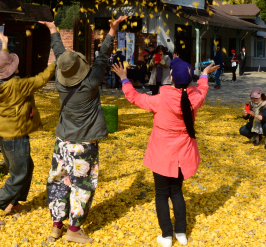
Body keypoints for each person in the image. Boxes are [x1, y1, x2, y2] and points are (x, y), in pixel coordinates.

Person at [112, 58, 220, 247]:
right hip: (183, 154)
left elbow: (134, 97)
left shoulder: (161, 99)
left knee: (161, 194)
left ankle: (166, 236)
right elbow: (203, 88)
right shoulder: (195, 98)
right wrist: (205, 74)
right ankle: (181, 233)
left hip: (162, 154)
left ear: (171, 77)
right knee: (177, 192)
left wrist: (124, 78)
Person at [41, 15, 128, 244]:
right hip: (84, 144)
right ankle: (73, 229)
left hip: (62, 140)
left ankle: (55, 227)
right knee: (81, 185)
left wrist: (52, 29)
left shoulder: (61, 82)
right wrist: (112, 30)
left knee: (58, 181)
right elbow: (102, 57)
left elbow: (61, 55)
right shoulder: (90, 82)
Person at [0, 32, 56, 226]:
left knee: (27, 167)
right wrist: (58, 62)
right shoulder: (18, 85)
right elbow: (42, 78)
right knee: (18, 174)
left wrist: (4, 44)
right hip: (16, 137)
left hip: (5, 135)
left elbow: (2, 62)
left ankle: (12, 203)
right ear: (12, 69)